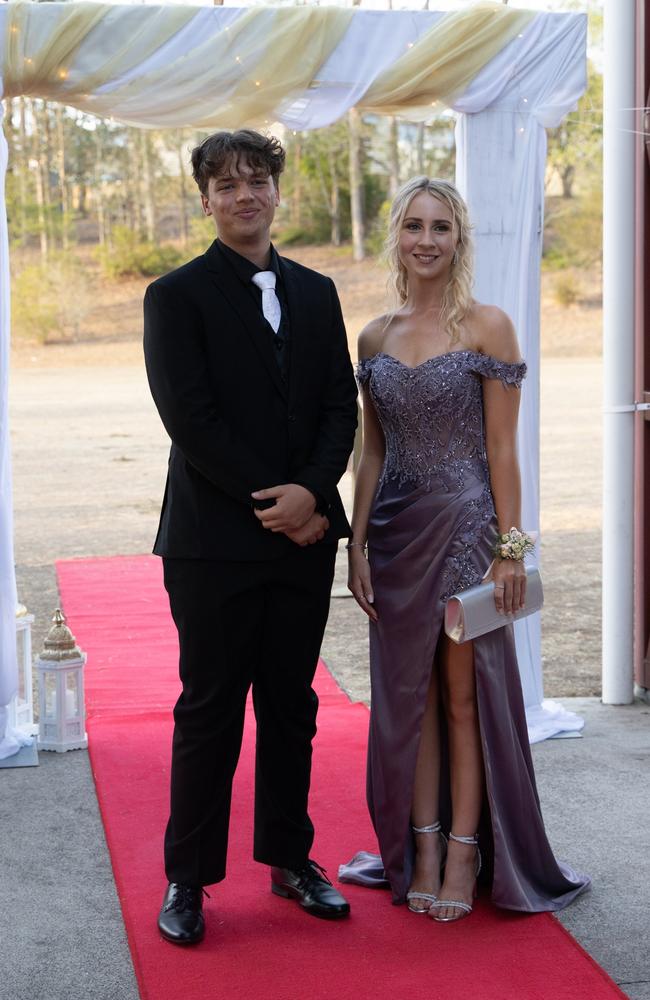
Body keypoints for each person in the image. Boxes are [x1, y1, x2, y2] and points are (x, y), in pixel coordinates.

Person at [344, 177, 589, 922]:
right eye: (414, 225)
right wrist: (356, 545)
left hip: (466, 535)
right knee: (407, 704)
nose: (426, 239)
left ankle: (462, 852)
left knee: (459, 696)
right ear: (398, 237)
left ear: (460, 240)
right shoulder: (375, 336)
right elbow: (372, 453)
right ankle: (418, 849)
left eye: (441, 227)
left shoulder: (488, 327)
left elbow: (503, 450)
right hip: (393, 536)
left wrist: (509, 550)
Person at [143, 129, 357, 945]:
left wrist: (312, 495)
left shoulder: (318, 291)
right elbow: (190, 420)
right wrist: (278, 501)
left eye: (257, 179)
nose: (244, 194)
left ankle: (291, 861)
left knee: (292, 708)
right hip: (212, 543)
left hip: (304, 542)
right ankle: (187, 879)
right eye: (226, 183)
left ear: (277, 191)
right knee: (209, 712)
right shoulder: (177, 295)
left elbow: (341, 403)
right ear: (205, 199)